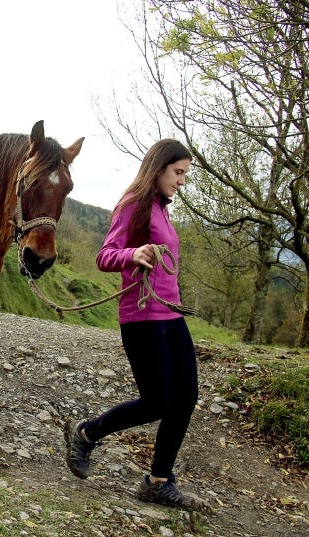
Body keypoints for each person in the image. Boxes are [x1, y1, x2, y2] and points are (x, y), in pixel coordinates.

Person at [64, 138, 203, 510]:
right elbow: (105, 255)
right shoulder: (133, 205)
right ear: (158, 168)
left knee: (186, 395)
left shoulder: (161, 207)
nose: (182, 181)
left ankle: (158, 481)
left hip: (170, 313)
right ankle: (87, 433)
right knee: (158, 401)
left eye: (185, 174)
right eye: (178, 173)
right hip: (142, 315)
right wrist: (133, 253)